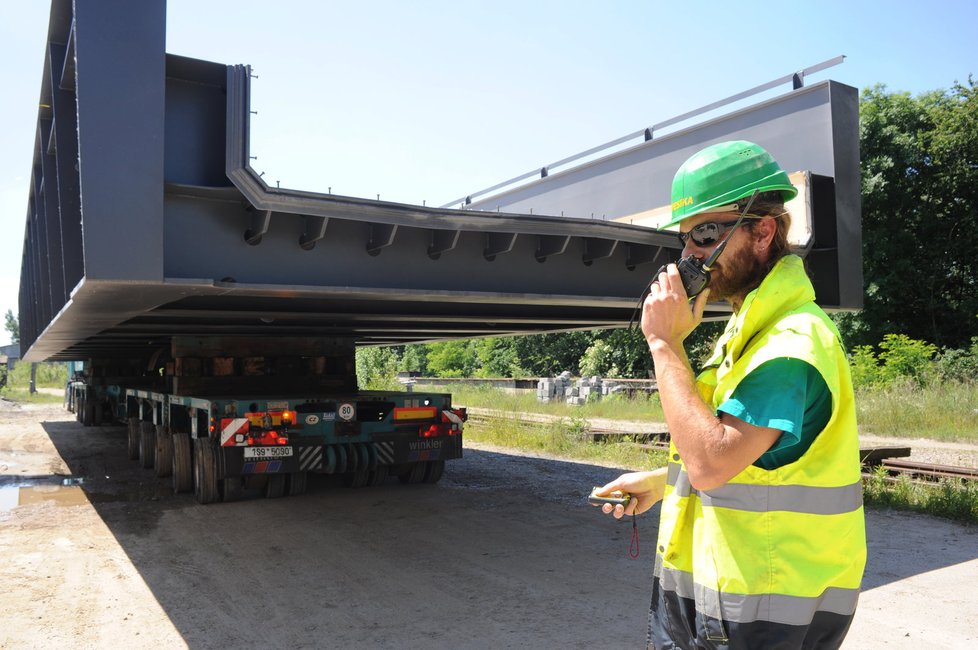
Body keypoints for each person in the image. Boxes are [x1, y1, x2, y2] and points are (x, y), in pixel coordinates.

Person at [595, 140, 866, 649]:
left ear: (763, 231)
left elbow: (713, 463)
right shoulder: (752, 330)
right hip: (731, 599)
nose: (690, 256)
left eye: (703, 234)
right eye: (686, 239)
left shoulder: (789, 347)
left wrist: (664, 343)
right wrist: (663, 482)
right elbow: (745, 452)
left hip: (760, 611)